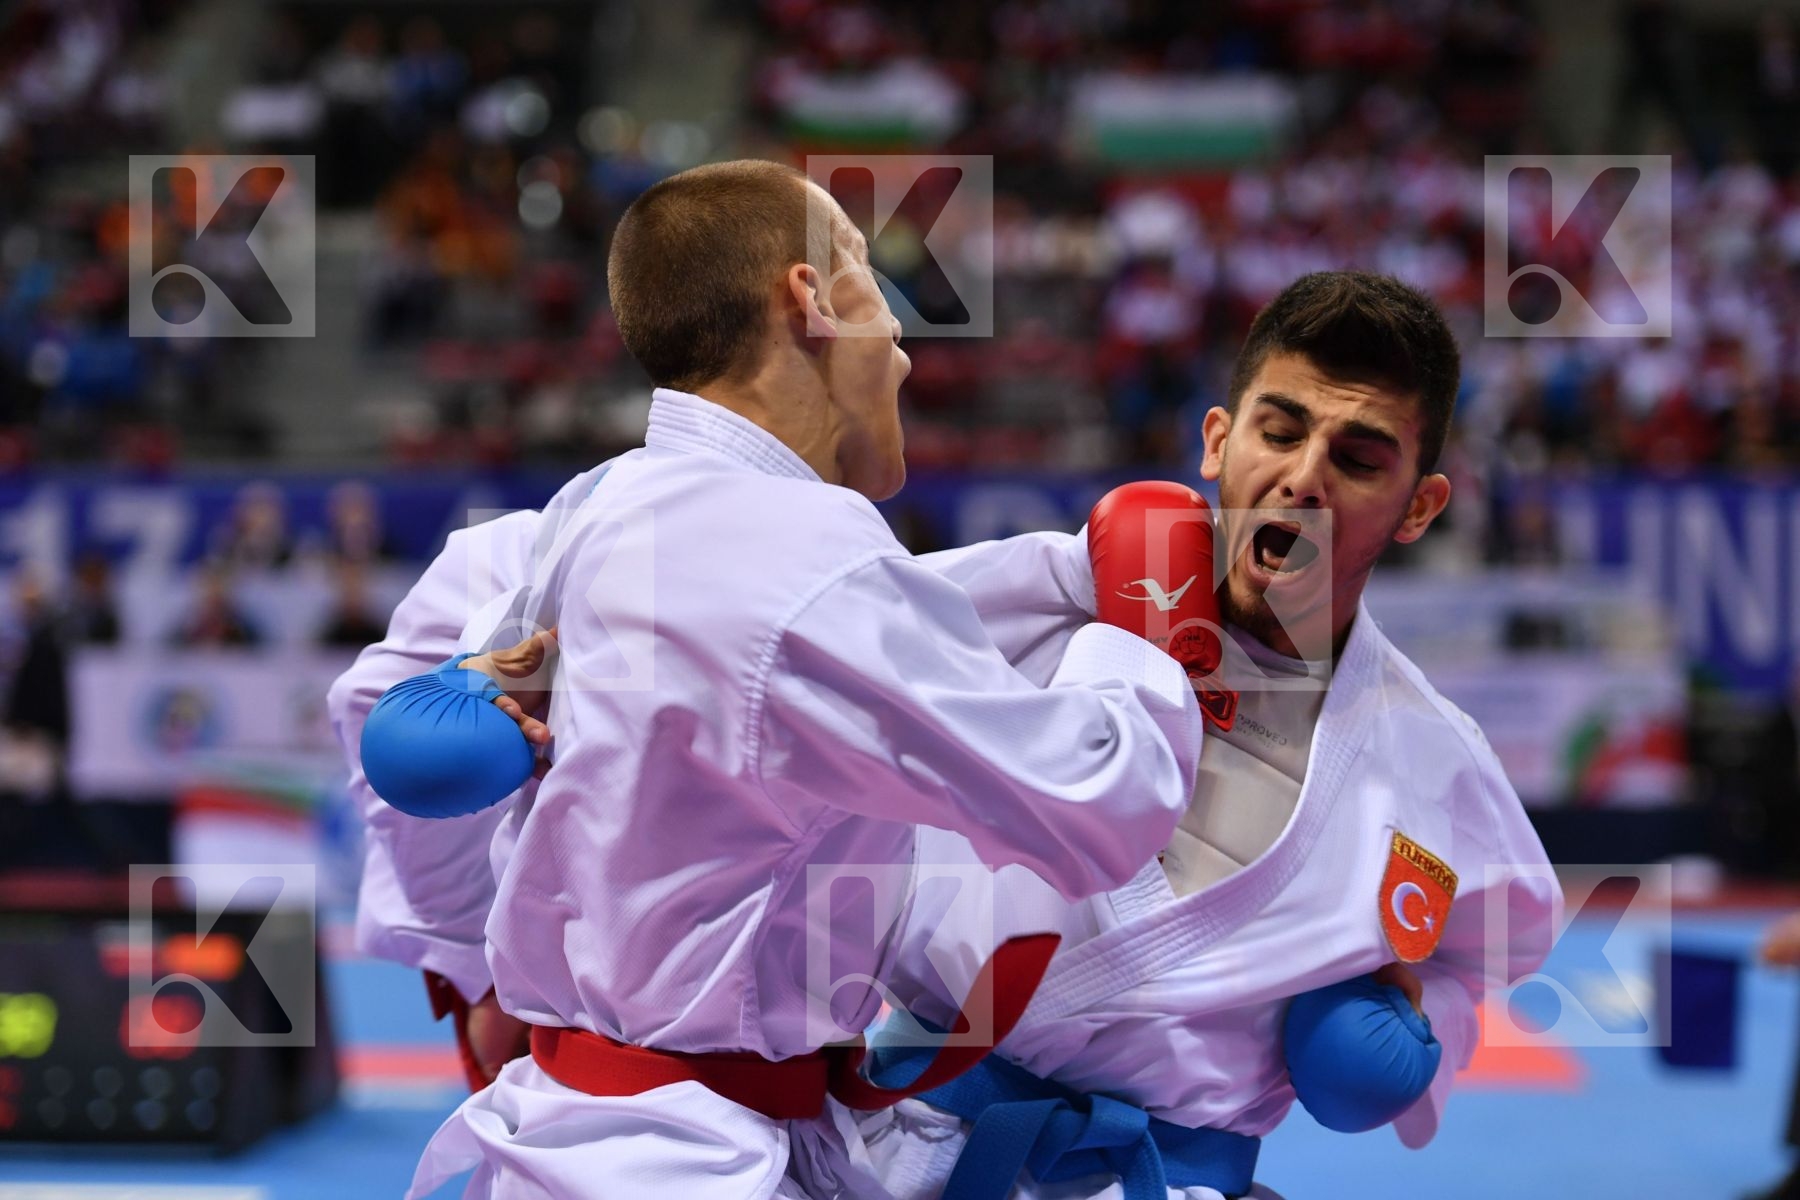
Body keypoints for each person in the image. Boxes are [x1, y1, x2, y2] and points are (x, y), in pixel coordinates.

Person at [354, 271, 1562, 1198]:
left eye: (1358, 458)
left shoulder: (1433, 763)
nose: (1302, 477)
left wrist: (1412, 1024)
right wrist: (508, 669)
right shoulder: (1033, 598)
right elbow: (699, 604)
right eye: (1280, 430)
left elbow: (1483, 948)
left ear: (1420, 506)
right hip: (906, 1148)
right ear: (1216, 441)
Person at [330, 159, 1206, 1200]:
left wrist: (1061, 576)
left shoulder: (602, 507)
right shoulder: (802, 554)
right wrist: (1148, 629)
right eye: (876, 287)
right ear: (813, 298)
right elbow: (1096, 807)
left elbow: (818, 647)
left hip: (594, 1134)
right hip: (692, 1165)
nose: (905, 351)